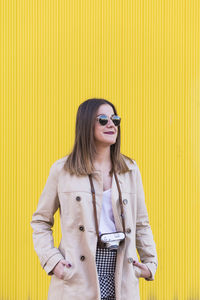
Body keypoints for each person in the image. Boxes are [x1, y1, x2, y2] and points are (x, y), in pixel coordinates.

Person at [30, 98, 158, 300]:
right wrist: (53, 261)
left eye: (115, 119)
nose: (111, 124)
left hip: (121, 268)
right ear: (86, 124)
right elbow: (40, 221)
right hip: (78, 273)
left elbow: (141, 223)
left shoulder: (130, 170)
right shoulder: (63, 170)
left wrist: (150, 264)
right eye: (103, 119)